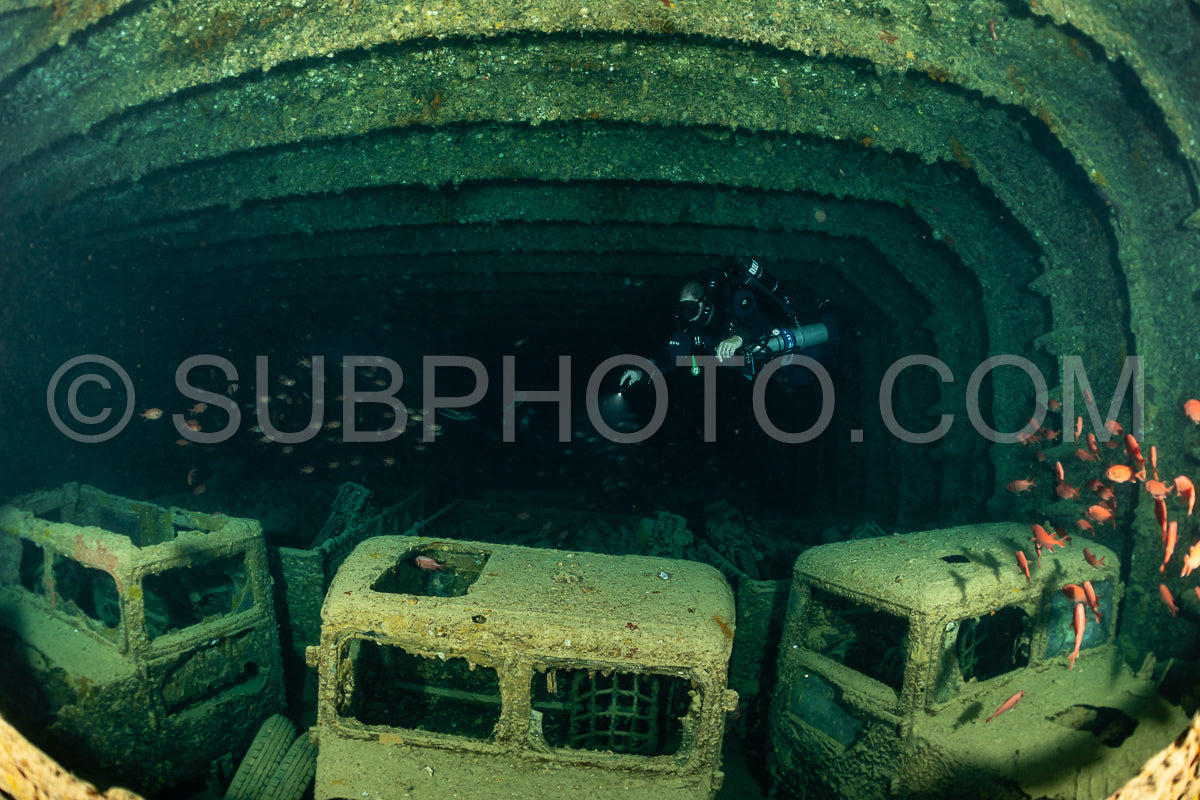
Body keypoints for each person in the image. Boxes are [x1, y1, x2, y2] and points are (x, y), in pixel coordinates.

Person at [619, 257, 834, 389]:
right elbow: (670, 357)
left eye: (691, 309)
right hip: (776, 372)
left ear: (705, 303)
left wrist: (738, 337)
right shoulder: (694, 333)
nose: (689, 317)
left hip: (802, 344)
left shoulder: (735, 300)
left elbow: (761, 321)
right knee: (801, 381)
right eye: (683, 312)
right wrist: (642, 372)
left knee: (832, 352)